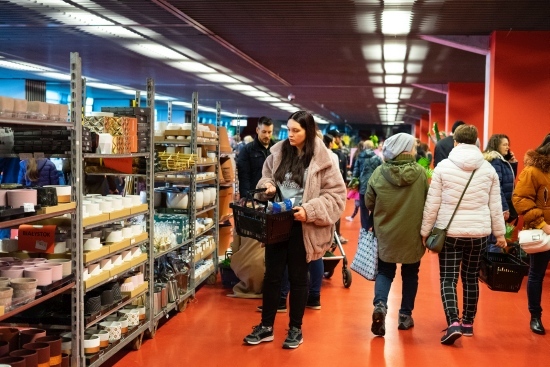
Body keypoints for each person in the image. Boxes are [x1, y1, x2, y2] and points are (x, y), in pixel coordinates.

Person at [243, 110, 346, 349]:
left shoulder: (324, 160)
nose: (290, 134)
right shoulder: (278, 154)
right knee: (272, 276)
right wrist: (267, 186)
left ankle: (295, 329)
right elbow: (265, 177)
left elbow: (337, 197)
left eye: (296, 131)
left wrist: (309, 210)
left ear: (308, 132)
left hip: (303, 226)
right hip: (277, 221)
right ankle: (266, 327)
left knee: (299, 278)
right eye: (288, 129)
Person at [421, 125, 506, 345]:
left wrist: (425, 231)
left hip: (450, 233)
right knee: (470, 278)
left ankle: (453, 322)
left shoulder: (443, 167)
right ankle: (468, 323)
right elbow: (495, 205)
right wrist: (500, 233)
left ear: (455, 142)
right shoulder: (488, 170)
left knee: (448, 279)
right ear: (477, 142)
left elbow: (433, 204)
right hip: (478, 234)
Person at [365, 133, 428, 337]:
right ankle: (405, 316)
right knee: (411, 274)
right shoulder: (420, 173)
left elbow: (368, 202)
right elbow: (429, 201)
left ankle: (381, 306)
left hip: (386, 233)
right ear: (407, 149)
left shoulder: (378, 172)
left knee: (385, 271)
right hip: (413, 233)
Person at [230, 117, 275, 299]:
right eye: (264, 132)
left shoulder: (275, 150)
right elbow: (244, 175)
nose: (267, 136)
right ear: (257, 130)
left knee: (268, 244)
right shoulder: (247, 151)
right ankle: (252, 281)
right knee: (252, 243)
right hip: (253, 203)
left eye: (270, 132)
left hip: (272, 204)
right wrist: (247, 200)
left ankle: (267, 281)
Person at [512, 133, 550, 336]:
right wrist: (541, 223)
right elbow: (521, 199)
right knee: (536, 274)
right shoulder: (533, 171)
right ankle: (535, 316)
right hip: (542, 231)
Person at [483, 134, 518, 252]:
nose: (507, 147)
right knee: (495, 242)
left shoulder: (500, 161)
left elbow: (508, 181)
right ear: (496, 145)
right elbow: (497, 187)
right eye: (504, 144)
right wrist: (504, 207)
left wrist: (512, 163)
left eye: (508, 144)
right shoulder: (496, 161)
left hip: (499, 205)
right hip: (498, 207)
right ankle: (490, 269)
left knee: (493, 240)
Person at [353, 140, 382, 229]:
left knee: (363, 207)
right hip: (374, 186)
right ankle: (372, 224)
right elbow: (382, 172)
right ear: (373, 147)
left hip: (363, 186)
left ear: (364, 147)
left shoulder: (359, 158)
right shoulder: (378, 158)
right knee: (375, 207)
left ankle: (365, 227)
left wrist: (355, 182)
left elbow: (356, 172)